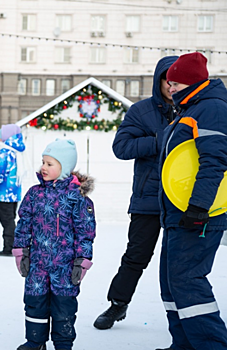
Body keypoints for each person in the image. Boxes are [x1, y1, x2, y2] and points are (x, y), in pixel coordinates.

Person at [93, 56, 178, 330]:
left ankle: (182, 314)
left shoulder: (196, 110)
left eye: (178, 79)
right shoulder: (142, 111)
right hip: (149, 199)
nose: (173, 85)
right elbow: (122, 148)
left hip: (184, 201)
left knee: (177, 261)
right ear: (159, 80)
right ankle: (117, 305)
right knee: (136, 256)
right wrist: (159, 140)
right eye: (168, 79)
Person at [157, 52, 227, 349]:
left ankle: (213, 345)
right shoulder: (189, 109)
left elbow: (214, 161)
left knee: (188, 281)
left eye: (174, 82)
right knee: (172, 284)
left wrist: (199, 207)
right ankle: (183, 345)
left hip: (198, 214)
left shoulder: (211, 109)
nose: (170, 87)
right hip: (177, 213)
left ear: (189, 81)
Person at [13, 139, 96, 350]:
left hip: (65, 266)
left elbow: (85, 232)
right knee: (35, 303)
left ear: (65, 168)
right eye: (43, 162)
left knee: (64, 308)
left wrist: (82, 261)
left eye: (50, 163)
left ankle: (63, 343)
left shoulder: (77, 198)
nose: (43, 167)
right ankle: (35, 341)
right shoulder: (34, 194)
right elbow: (24, 223)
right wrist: (21, 251)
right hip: (38, 265)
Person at [0, 123, 26, 257]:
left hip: (3, 194)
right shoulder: (16, 152)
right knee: (11, 219)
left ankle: (9, 248)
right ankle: (14, 245)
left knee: (7, 222)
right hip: (14, 193)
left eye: (0, 137)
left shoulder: (3, 153)